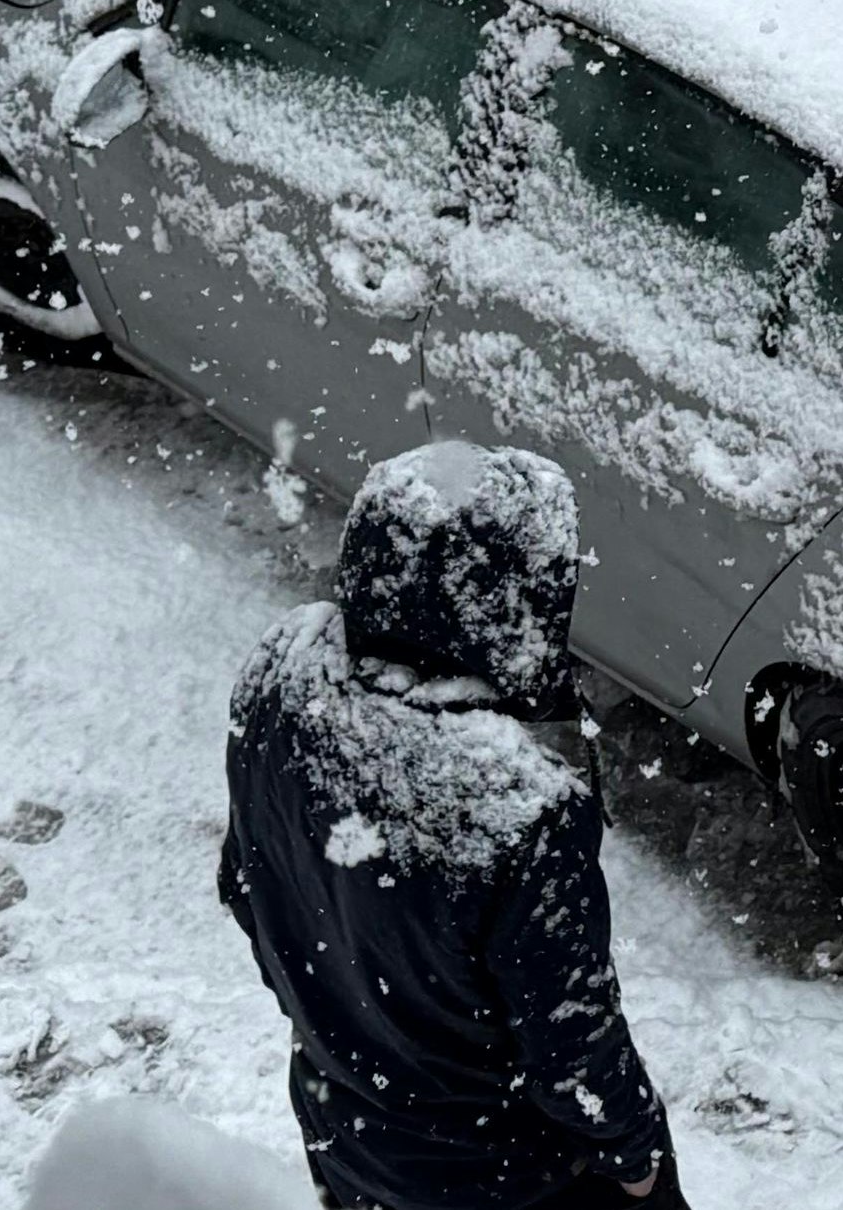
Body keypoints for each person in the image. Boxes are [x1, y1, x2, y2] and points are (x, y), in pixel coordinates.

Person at [223, 445, 683, 1210]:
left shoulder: (281, 676)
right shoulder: (520, 804)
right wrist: (636, 1158)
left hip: (350, 1133)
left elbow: (247, 886)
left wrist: (350, 1032)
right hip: (508, 1178)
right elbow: (572, 1048)